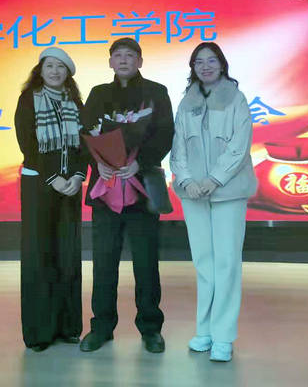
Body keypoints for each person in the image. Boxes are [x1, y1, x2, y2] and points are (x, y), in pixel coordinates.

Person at [79, 37, 174, 354]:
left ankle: (151, 328)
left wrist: (139, 162)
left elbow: (165, 133)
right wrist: (98, 163)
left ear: (140, 61)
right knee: (104, 261)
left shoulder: (156, 92)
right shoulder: (98, 94)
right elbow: (85, 132)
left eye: (130, 55)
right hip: (106, 189)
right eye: (117, 55)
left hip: (142, 187)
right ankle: (101, 327)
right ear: (110, 62)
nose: (123, 60)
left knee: (146, 262)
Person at [169, 42, 257, 362]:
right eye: (199, 62)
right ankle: (204, 330)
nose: (205, 66)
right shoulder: (186, 103)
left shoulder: (236, 99)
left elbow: (239, 145)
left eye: (211, 60)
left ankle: (223, 336)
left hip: (228, 191)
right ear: (193, 68)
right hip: (193, 193)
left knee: (227, 263)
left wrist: (214, 179)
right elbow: (178, 146)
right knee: (204, 262)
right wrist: (186, 180)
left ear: (222, 64)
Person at [13, 46, 87, 352]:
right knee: (39, 255)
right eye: (50, 66)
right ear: (40, 71)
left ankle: (68, 327)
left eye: (61, 67)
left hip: (70, 186)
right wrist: (52, 177)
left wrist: (78, 177)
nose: (55, 71)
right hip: (39, 186)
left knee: (67, 255)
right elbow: (28, 144)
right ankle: (40, 332)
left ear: (68, 73)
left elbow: (84, 145)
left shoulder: (76, 103)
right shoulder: (28, 99)